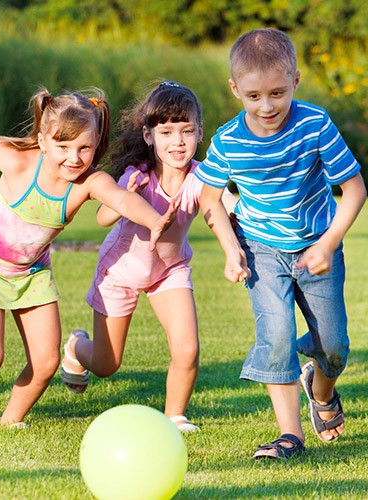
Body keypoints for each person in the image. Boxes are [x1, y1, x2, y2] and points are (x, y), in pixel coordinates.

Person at [0, 62, 176, 428]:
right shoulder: (16, 162)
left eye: (85, 148)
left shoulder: (88, 183)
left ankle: (10, 421)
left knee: (45, 362)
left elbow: (121, 199)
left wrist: (155, 220)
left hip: (31, 273)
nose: (74, 158)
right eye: (63, 146)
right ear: (43, 140)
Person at [197, 28, 367, 459]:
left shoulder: (315, 125)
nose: (267, 106)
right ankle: (290, 434)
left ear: (296, 80)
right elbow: (208, 197)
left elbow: (355, 189)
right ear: (235, 89)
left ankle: (321, 390)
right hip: (261, 251)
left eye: (277, 92)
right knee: (275, 334)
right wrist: (231, 248)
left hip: (316, 247)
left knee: (333, 345)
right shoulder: (228, 140)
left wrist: (329, 244)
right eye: (253, 96)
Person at [61, 81, 237, 433]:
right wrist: (123, 196)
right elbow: (102, 218)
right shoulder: (137, 176)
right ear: (148, 135)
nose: (178, 141)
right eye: (167, 132)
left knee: (187, 349)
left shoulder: (202, 176)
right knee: (106, 364)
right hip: (120, 271)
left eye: (187, 131)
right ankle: (76, 347)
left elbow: (222, 208)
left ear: (200, 133)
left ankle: (175, 416)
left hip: (169, 272)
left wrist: (237, 242)